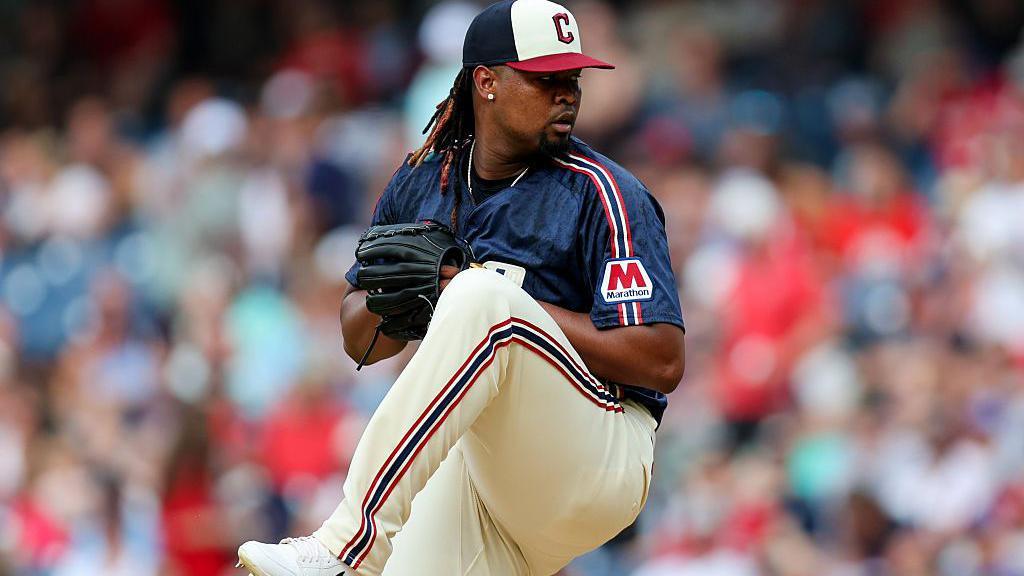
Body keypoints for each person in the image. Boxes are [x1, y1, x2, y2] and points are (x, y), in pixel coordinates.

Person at [237, 0, 686, 574]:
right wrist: (397, 296)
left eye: (572, 79)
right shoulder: (423, 182)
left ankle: (347, 545)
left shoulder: (603, 192)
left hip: (598, 457)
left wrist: (483, 293)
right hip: (488, 477)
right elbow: (360, 344)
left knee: (481, 298)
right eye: (547, 79)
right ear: (487, 82)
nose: (567, 94)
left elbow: (661, 359)